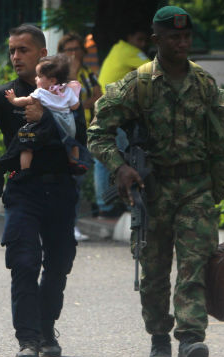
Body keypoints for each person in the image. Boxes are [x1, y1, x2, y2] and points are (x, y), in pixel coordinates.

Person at [87, 6, 224, 357]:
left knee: (196, 266)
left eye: (187, 37)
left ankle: (190, 339)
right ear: (156, 40)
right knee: (154, 272)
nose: (182, 43)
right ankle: (159, 335)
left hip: (196, 189)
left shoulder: (205, 84)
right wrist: (120, 167)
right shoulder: (138, 83)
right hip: (153, 189)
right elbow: (98, 132)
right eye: (174, 37)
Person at [0, 24, 85, 357]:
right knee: (24, 261)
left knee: (59, 264)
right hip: (21, 185)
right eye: (12, 50)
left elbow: (80, 143)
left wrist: (47, 119)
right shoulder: (5, 96)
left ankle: (47, 328)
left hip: (61, 187)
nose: (15, 56)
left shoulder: (69, 98)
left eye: (23, 50)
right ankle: (28, 339)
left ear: (43, 54)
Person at [93, 25, 149, 219]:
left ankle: (105, 205)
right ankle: (110, 205)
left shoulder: (118, 49)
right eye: (140, 39)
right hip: (117, 113)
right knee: (119, 159)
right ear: (130, 36)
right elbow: (155, 71)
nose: (142, 44)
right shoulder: (129, 52)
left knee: (106, 160)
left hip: (106, 110)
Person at [3, 54, 82, 177]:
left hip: (45, 129)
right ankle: (74, 164)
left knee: (25, 141)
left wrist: (13, 100)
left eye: (39, 76)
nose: (36, 79)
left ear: (52, 80)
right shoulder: (67, 91)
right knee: (73, 144)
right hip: (67, 126)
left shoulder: (41, 93)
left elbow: (25, 101)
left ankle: (24, 170)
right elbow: (75, 106)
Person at [58, 32, 102, 241]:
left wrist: (84, 105)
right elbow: (62, 99)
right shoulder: (56, 75)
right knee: (62, 180)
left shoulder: (88, 73)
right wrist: (72, 73)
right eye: (69, 50)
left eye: (77, 49)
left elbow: (98, 94)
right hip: (63, 133)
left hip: (82, 131)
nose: (74, 54)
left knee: (77, 179)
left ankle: (70, 225)